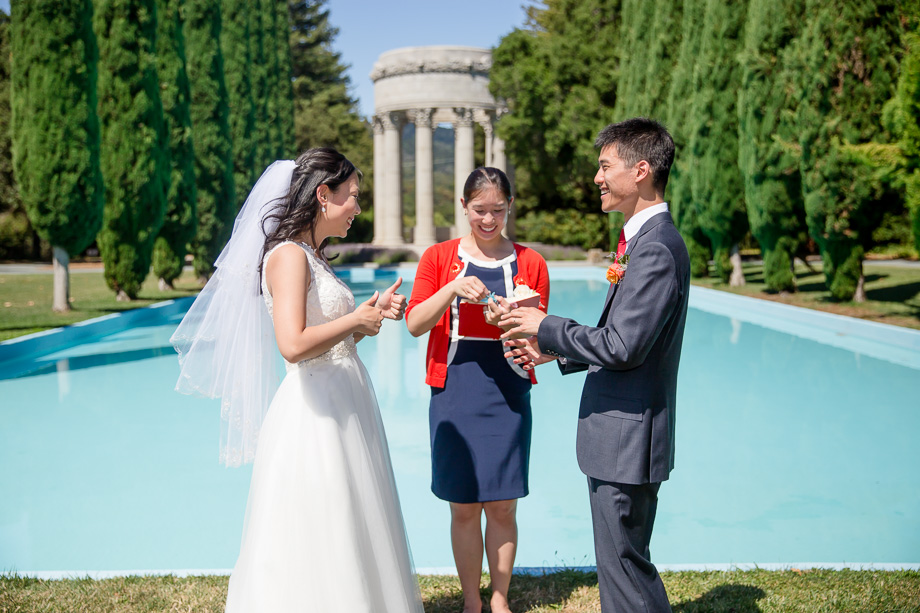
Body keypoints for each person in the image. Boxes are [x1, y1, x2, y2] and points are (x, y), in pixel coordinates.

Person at [171, 148, 424, 612]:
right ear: (323, 195)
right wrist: (354, 321)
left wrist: (370, 317)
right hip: (314, 414)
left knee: (352, 522)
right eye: (352, 197)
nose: (357, 209)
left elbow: (331, 341)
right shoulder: (288, 256)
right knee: (322, 526)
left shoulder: (314, 256)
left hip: (346, 401)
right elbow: (292, 344)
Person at [502, 118, 689, 612]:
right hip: (621, 438)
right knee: (622, 566)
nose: (596, 178)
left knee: (626, 572)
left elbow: (624, 346)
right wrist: (557, 351)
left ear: (641, 170)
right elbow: (620, 339)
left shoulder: (655, 250)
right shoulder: (641, 243)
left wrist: (544, 325)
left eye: (606, 166)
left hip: (627, 439)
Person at [405, 167, 550, 613]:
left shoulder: (531, 262)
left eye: (498, 211)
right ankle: (472, 600)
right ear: (464, 207)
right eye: (480, 210)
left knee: (503, 504)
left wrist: (511, 321)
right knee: (464, 505)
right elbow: (414, 323)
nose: (489, 220)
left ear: (509, 208)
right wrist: (451, 289)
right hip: (454, 389)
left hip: (508, 390)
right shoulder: (437, 257)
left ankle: (500, 599)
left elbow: (542, 338)